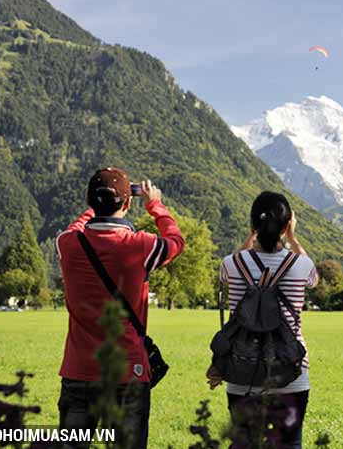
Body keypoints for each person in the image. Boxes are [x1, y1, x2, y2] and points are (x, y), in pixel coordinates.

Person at [55, 168, 185, 449]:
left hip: (78, 370)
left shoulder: (68, 244)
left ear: (90, 200)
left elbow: (75, 228)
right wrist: (155, 205)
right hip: (128, 372)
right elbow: (176, 241)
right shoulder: (141, 245)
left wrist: (93, 209)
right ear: (127, 204)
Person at [206, 191, 319, 449]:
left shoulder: (231, 263)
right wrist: (293, 238)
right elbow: (315, 280)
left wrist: (250, 236)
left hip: (241, 371)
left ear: (253, 225)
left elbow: (228, 270)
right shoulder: (302, 265)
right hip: (291, 372)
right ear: (287, 223)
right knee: (289, 444)